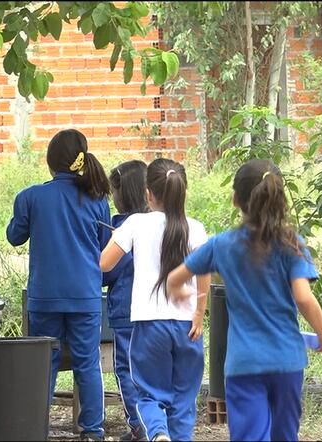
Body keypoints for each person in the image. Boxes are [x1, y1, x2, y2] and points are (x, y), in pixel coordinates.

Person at [166, 159, 322, 442]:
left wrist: (181, 291)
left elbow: (175, 277)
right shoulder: (291, 243)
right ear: (278, 198)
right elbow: (304, 298)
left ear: (235, 199)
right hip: (287, 362)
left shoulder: (221, 244)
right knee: (285, 435)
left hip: (244, 364)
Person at [7, 129, 111, 441]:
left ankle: (37, 427)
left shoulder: (31, 197)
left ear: (50, 162)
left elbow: (14, 237)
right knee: (87, 362)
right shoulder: (98, 200)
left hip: (45, 298)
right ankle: (92, 430)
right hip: (86, 297)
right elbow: (105, 246)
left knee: (45, 363)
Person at [100, 158, 210, 442]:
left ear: (147, 194)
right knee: (184, 399)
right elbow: (204, 273)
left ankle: (158, 433)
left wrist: (120, 239)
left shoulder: (136, 223)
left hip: (149, 326)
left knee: (149, 393)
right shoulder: (195, 228)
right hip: (188, 326)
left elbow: (104, 264)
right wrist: (199, 313)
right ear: (183, 192)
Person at [103, 160, 149, 442]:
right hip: (158, 310)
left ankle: (138, 426)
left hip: (126, 311)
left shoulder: (120, 228)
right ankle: (156, 423)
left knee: (126, 369)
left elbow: (108, 270)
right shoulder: (163, 222)